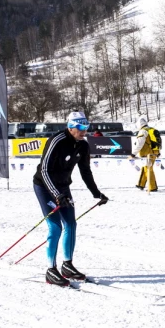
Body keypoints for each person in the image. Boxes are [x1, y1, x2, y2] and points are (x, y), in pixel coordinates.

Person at [32, 111, 109, 286]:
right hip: (45, 186)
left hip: (63, 187)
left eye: (86, 127)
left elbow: (85, 171)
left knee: (71, 224)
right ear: (71, 126)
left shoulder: (83, 145)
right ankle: (51, 270)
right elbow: (44, 171)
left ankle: (67, 265)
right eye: (80, 127)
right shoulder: (57, 141)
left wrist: (96, 193)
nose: (84, 131)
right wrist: (57, 195)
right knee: (55, 227)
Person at [131, 115, 159, 193]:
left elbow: (139, 143)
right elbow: (158, 141)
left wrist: (133, 154)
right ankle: (141, 184)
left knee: (148, 169)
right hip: (154, 152)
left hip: (147, 153)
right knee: (145, 168)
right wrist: (158, 151)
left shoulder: (143, 131)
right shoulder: (152, 129)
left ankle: (152, 187)